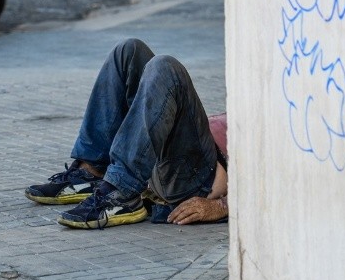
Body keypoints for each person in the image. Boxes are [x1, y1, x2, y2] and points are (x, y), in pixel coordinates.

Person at [25, 38, 228, 230]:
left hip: (198, 175)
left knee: (165, 67)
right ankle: (92, 171)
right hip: (175, 151)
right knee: (129, 50)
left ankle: (122, 193)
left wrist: (221, 207)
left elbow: (261, 182)